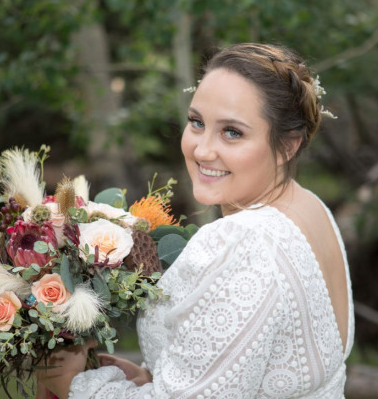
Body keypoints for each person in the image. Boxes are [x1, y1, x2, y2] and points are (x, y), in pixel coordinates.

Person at [38, 43, 354, 398]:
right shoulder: (310, 209)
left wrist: (78, 387)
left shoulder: (241, 241)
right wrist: (148, 377)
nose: (202, 149)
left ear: (288, 146)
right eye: (197, 122)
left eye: (232, 132)